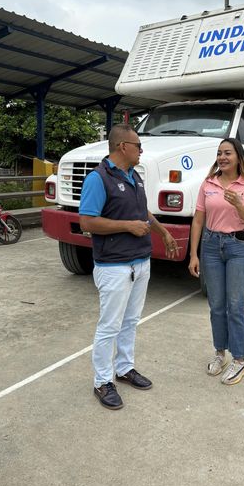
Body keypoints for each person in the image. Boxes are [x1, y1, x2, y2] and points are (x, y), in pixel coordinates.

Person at [80, 124, 179, 410]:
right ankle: (102, 381)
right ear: (123, 146)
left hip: (140, 261)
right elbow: (87, 221)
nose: (141, 151)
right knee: (109, 326)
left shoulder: (134, 175)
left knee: (131, 321)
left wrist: (163, 232)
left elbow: (142, 212)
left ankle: (124, 368)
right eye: (138, 146)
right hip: (114, 266)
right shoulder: (98, 178)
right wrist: (127, 226)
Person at [188, 138, 244, 385]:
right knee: (216, 305)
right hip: (211, 246)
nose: (222, 157)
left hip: (238, 247)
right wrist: (194, 254)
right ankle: (220, 353)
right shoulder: (208, 183)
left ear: (238, 157)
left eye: (227, 153)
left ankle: (239, 360)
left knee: (235, 304)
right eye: (219, 153)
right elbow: (198, 220)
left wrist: (239, 205)